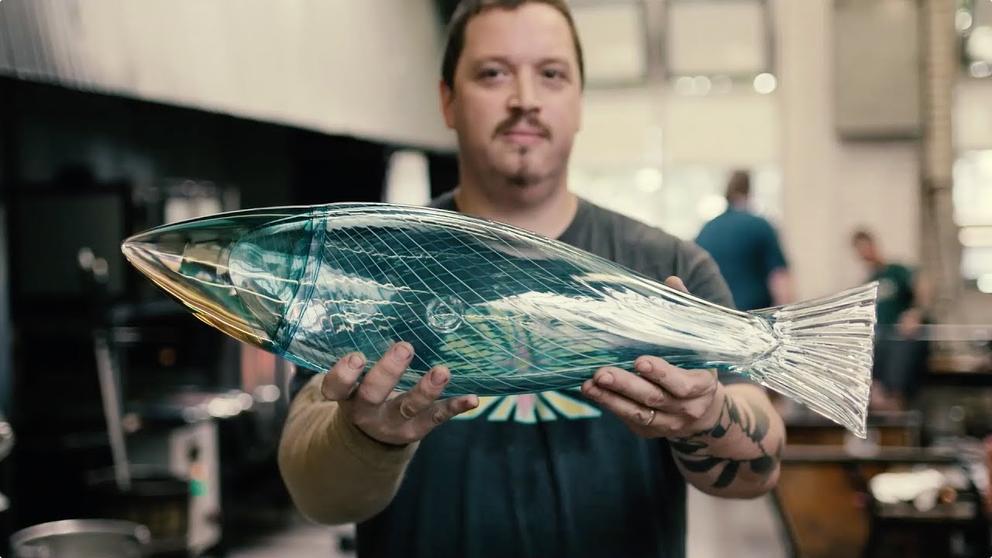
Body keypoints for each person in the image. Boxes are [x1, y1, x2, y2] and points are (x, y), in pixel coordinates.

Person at [278, 2, 785, 556]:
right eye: (493, 73)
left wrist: (707, 418)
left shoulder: (668, 268)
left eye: (552, 74)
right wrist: (363, 437)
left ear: (579, 100)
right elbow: (316, 494)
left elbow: (757, 470)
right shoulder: (371, 268)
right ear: (447, 100)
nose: (524, 98)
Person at [851, 229, 931, 410]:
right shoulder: (869, 281)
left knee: (898, 357)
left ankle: (894, 401)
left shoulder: (896, 271)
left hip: (900, 340)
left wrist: (915, 312)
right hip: (879, 341)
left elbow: (922, 283)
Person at [696, 170, 793, 310]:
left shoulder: (707, 229)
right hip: (752, 319)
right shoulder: (760, 226)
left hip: (716, 318)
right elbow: (780, 279)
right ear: (749, 192)